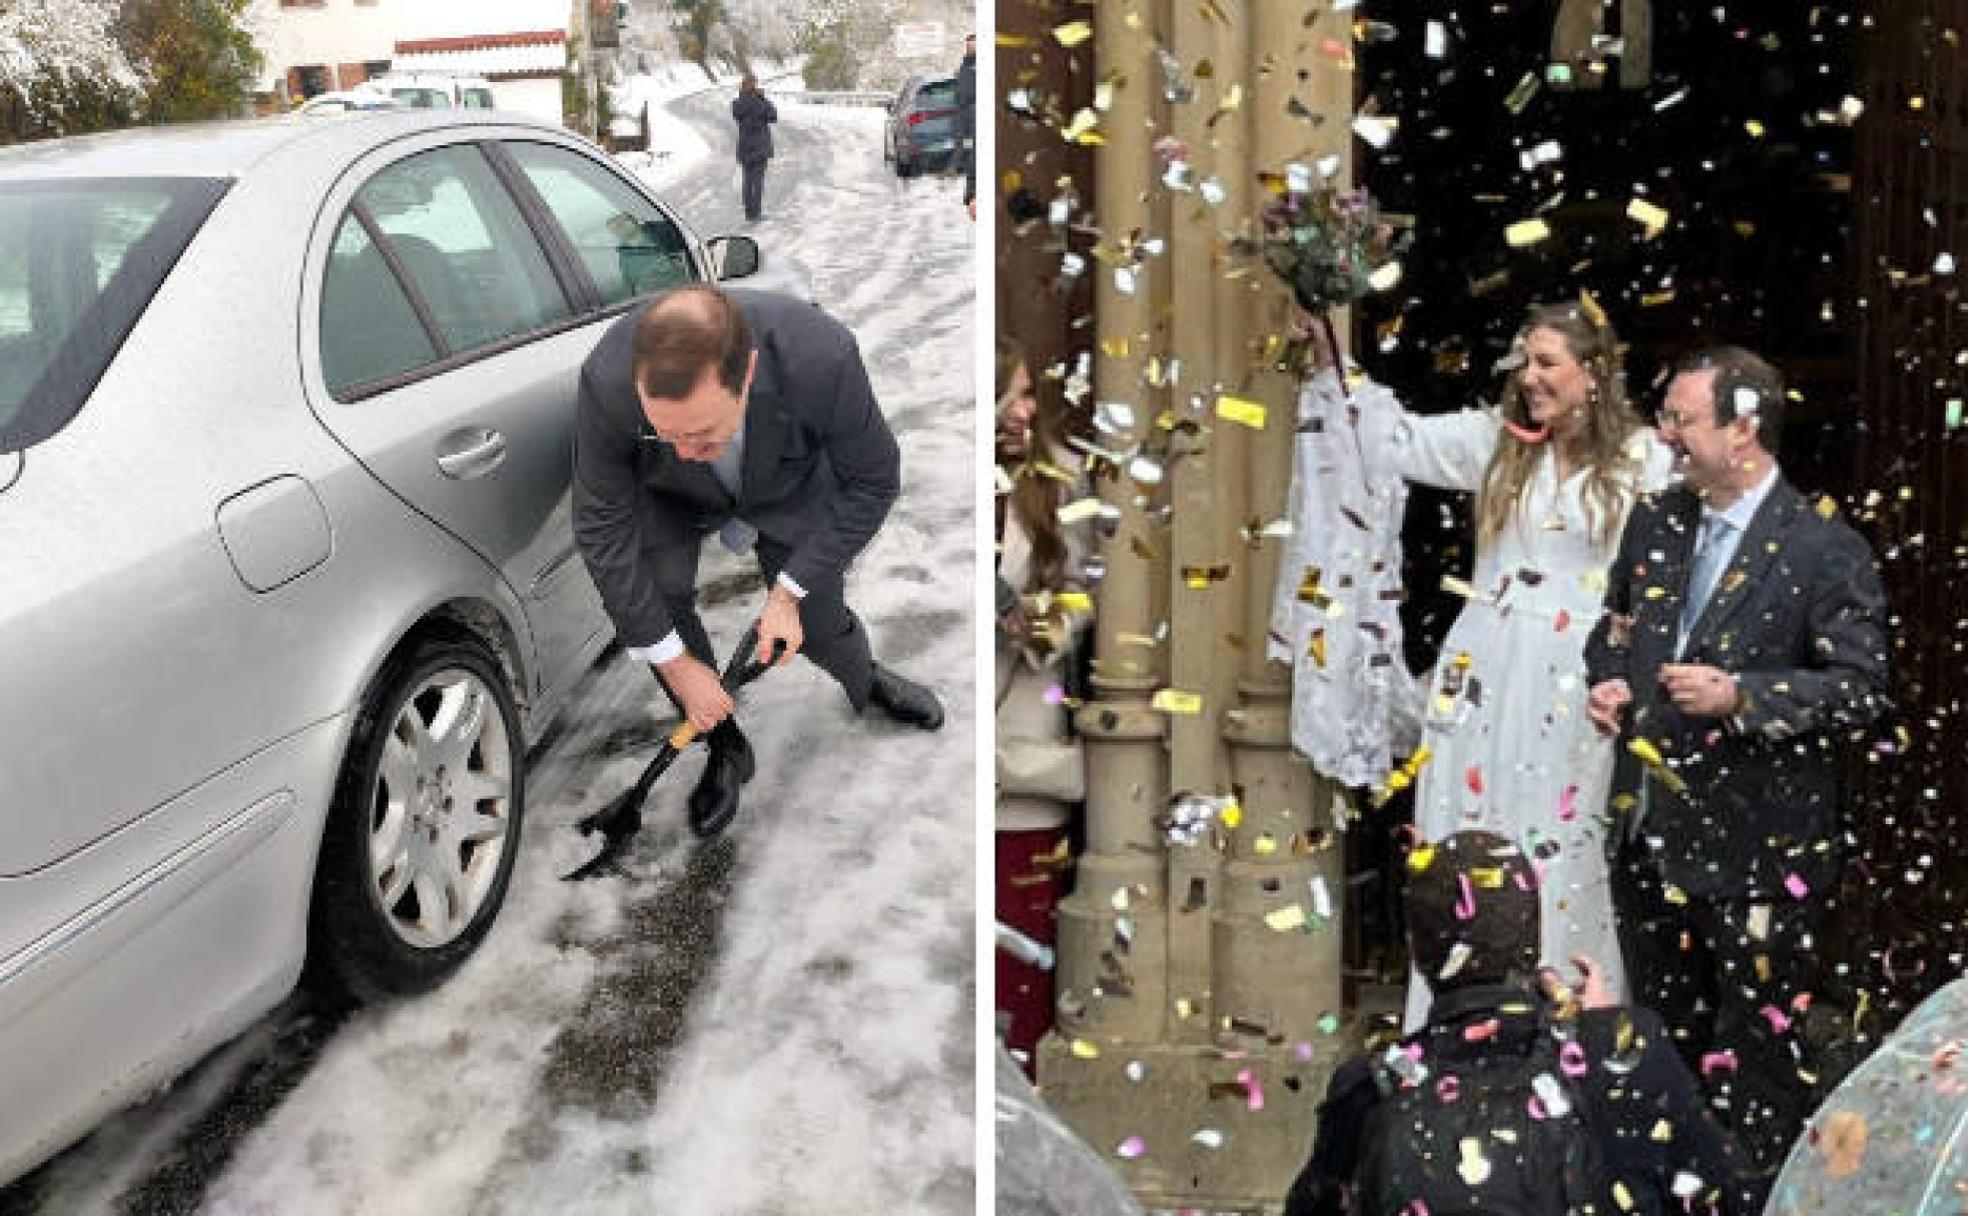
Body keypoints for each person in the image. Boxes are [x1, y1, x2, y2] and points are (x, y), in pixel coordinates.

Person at [1308, 302, 1675, 1026]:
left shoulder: (1644, 460)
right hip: (1483, 667)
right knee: (1467, 829)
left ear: (1593, 373)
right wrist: (1326, 352)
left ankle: (1567, 1021)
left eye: (1547, 363)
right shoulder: (1497, 445)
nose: (1529, 378)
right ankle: (1455, 1020)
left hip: (1576, 675)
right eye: (1524, 361)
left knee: (1565, 837)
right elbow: (1392, 438)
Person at [1583, 345, 1890, 1189]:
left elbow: (1861, 689)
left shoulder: (1825, 548)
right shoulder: (1655, 521)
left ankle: (1754, 1198)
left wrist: (1744, 697)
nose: (1665, 435)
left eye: (1682, 419)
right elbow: (1610, 630)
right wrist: (1605, 680)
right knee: (1661, 1052)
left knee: (1757, 1062)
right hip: (1649, 835)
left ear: (1743, 430)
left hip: (1760, 852)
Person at [571, 284, 944, 838]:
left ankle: (862, 677)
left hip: (785, 484)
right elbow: (601, 527)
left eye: (701, 433)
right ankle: (724, 745)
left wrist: (787, 594)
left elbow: (873, 480)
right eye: (665, 432)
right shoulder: (607, 382)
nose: (683, 448)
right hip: (667, 496)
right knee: (661, 598)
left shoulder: (821, 357)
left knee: (816, 620)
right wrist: (676, 664)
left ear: (745, 373)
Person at [1284, 829, 1757, 1216]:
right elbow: (1730, 1195)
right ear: (1535, 939)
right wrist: (1609, 1038)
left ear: (1417, 953)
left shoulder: (1368, 1088)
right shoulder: (1628, 1048)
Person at [994, 337, 1091, 1069]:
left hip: (1024, 772)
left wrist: (1031, 624)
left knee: (1019, 993)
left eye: (1031, 394)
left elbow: (1084, 596)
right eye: (1014, 393)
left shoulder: (1059, 480)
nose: (1027, 410)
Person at [731, 74, 776, 222]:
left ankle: (748, 212)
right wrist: (763, 98)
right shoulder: (760, 102)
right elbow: (773, 116)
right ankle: (756, 213)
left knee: (747, 180)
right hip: (760, 147)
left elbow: (738, 117)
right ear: (754, 85)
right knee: (757, 181)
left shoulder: (736, 103)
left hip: (744, 147)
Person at [954, 33, 977, 218]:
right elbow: (960, 98)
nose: (970, 48)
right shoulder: (965, 67)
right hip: (967, 122)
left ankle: (973, 197)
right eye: (968, 45)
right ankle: (971, 197)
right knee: (971, 160)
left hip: (975, 119)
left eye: (973, 45)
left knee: (975, 161)